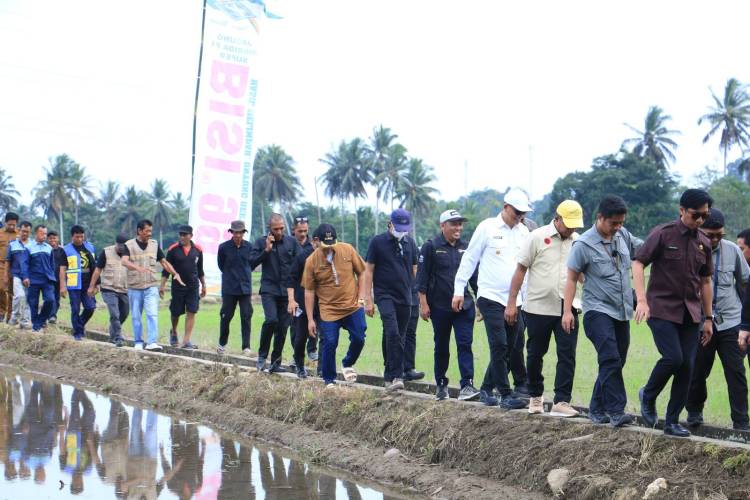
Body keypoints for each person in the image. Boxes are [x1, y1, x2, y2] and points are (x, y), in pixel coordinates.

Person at [633, 188, 714, 438]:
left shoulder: (704, 242)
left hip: (691, 313)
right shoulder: (662, 233)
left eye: (704, 216)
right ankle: (648, 393)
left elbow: (706, 282)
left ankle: (671, 422)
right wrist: (641, 300)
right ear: (681, 211)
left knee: (687, 367)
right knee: (673, 358)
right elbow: (638, 263)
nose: (699, 220)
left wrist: (709, 318)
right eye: (695, 215)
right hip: (661, 308)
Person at [563, 195, 641, 427]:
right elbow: (570, 279)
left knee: (616, 360)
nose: (617, 227)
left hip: (621, 311)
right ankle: (616, 411)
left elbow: (646, 249)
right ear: (600, 218)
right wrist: (567, 311)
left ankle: (596, 408)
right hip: (597, 310)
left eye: (621, 223)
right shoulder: (583, 245)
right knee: (609, 357)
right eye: (613, 223)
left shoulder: (623, 235)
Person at [453, 188, 532, 409]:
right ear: (505, 207)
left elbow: (525, 268)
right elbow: (470, 259)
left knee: (511, 346)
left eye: (523, 213)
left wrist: (525, 299)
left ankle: (487, 388)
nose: (519, 216)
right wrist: (459, 289)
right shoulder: (487, 228)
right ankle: (505, 395)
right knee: (498, 345)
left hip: (516, 301)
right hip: (490, 297)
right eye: (517, 211)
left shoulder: (524, 232)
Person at [506, 200, 584, 417]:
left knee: (567, 354)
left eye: (575, 225)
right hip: (538, 307)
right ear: (557, 218)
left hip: (568, 308)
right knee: (535, 354)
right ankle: (535, 396)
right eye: (568, 224)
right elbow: (521, 270)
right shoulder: (537, 237)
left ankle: (561, 401)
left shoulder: (579, 242)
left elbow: (583, 276)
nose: (572, 229)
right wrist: (512, 303)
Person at [686, 209, 750, 430]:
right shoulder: (690, 249)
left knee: (736, 372)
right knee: (698, 370)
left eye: (719, 235)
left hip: (731, 321)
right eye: (710, 235)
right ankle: (694, 413)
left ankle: (741, 422)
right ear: (700, 229)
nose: (714, 240)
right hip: (701, 322)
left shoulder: (732, 250)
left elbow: (746, 281)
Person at [417, 209, 480, 401]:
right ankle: (441, 384)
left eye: (460, 224)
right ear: (442, 226)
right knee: (442, 346)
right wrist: (423, 304)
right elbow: (422, 278)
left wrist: (481, 303)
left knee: (464, 344)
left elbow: (475, 278)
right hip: (439, 307)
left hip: (464, 307)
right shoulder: (431, 247)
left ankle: (467, 385)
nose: (458, 228)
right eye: (454, 224)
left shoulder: (467, 248)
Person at [302, 224, 368, 388]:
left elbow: (362, 272)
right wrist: (310, 319)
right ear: (317, 242)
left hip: (352, 306)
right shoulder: (311, 262)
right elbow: (309, 291)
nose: (329, 248)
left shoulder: (348, 250)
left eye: (332, 244)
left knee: (359, 336)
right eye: (326, 245)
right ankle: (329, 380)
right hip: (329, 310)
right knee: (329, 343)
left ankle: (347, 363)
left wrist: (361, 299)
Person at [364, 208, 419, 392]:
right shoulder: (377, 242)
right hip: (384, 295)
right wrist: (368, 299)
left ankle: (389, 375)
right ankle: (397, 376)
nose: (402, 231)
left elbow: (414, 270)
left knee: (396, 336)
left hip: (405, 295)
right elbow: (368, 270)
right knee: (393, 332)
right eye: (399, 227)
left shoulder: (410, 243)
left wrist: (417, 294)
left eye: (405, 228)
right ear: (390, 223)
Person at [120, 219, 183, 351]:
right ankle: (138, 342)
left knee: (152, 314)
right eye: (147, 231)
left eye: (150, 231)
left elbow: (164, 262)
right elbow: (124, 262)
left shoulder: (154, 245)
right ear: (139, 231)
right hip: (134, 287)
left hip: (151, 286)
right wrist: (138, 268)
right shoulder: (129, 245)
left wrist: (175, 273)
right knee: (136, 316)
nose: (149, 233)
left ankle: (152, 342)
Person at [251, 213, 298, 373]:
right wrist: (266, 250)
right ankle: (262, 356)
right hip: (269, 290)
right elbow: (251, 263)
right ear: (269, 229)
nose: (279, 232)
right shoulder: (260, 242)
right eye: (275, 229)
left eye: (281, 228)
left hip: (286, 292)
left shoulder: (292, 242)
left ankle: (276, 362)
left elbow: (300, 262)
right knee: (271, 320)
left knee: (283, 327)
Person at [161, 225, 206, 350]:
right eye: (180, 234)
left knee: (191, 311)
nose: (182, 237)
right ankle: (174, 331)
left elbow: (200, 269)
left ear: (191, 236)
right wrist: (162, 285)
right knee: (175, 312)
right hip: (178, 286)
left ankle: (186, 341)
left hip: (193, 286)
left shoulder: (198, 250)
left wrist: (204, 285)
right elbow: (166, 270)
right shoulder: (173, 249)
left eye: (184, 234)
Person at [216, 220, 254, 355]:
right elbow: (221, 265)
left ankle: (246, 347)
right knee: (226, 316)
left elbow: (252, 264)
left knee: (246, 316)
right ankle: (222, 344)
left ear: (244, 233)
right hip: (229, 288)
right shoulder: (223, 248)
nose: (237, 235)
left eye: (240, 232)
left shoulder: (249, 247)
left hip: (245, 288)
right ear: (231, 233)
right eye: (235, 232)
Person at [88, 233, 130, 347]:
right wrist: (92, 286)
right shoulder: (106, 252)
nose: (121, 248)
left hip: (124, 289)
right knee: (114, 313)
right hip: (108, 289)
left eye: (124, 247)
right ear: (116, 243)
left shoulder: (130, 253)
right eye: (120, 246)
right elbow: (97, 270)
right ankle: (118, 337)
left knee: (125, 313)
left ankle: (113, 333)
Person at [287, 230, 319, 378]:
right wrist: (292, 300)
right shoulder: (302, 257)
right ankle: (299, 365)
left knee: (324, 333)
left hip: (321, 301)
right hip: (302, 301)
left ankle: (322, 368)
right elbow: (291, 278)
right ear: (314, 242)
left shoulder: (331, 255)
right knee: (300, 336)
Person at [58, 225, 97, 340]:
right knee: (75, 308)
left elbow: (95, 267)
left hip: (88, 284)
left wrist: (97, 284)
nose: (80, 239)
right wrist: (62, 286)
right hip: (73, 283)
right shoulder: (65, 250)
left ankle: (79, 326)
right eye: (77, 237)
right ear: (72, 236)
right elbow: (62, 269)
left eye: (81, 237)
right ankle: (78, 333)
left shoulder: (90, 247)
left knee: (90, 307)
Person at [25, 225, 56, 332]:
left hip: (47, 280)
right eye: (42, 233)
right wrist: (25, 277)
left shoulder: (49, 248)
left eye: (45, 234)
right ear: (36, 234)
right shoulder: (29, 247)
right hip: (33, 280)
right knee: (33, 303)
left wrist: (52, 276)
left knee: (50, 300)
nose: (44, 236)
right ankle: (36, 326)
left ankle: (40, 321)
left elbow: (52, 264)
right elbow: (25, 264)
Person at [7, 221, 32, 328]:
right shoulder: (12, 244)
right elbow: (8, 261)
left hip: (30, 276)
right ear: (19, 230)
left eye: (27, 232)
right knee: (19, 296)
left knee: (28, 298)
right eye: (23, 231)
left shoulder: (33, 244)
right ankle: (14, 317)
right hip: (16, 275)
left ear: (30, 232)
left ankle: (25, 321)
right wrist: (5, 276)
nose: (25, 233)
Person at [0, 212, 18, 323]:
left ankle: (10, 316)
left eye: (14, 225)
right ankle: (1, 311)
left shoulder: (19, 235)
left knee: (13, 292)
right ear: (5, 222)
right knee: (1, 288)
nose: (11, 227)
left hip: (15, 266)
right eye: (10, 224)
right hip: (1, 265)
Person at [46, 231, 65, 324]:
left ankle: (52, 315)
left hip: (58, 278)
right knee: (50, 298)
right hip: (48, 278)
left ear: (58, 239)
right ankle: (51, 315)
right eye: (50, 238)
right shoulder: (45, 250)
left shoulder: (62, 251)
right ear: (47, 239)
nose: (52, 240)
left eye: (54, 238)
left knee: (56, 298)